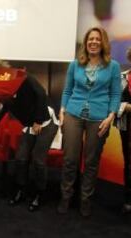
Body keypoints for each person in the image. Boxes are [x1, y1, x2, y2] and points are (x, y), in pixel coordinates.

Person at [57, 27, 121, 217]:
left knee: (91, 161)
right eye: (90, 39)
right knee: (70, 160)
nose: (93, 42)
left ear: (103, 43)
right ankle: (66, 197)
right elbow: (67, 90)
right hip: (73, 114)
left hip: (99, 118)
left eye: (97, 39)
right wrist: (62, 110)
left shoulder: (113, 66)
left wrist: (111, 116)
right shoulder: (75, 64)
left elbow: (115, 94)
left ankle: (85, 199)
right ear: (86, 43)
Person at [0, 60, 59, 212]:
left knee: (38, 160)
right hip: (29, 125)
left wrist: (38, 121)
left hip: (45, 121)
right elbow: (3, 110)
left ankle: (39, 194)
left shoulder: (24, 78)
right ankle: (21, 190)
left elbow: (41, 94)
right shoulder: (3, 91)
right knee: (21, 158)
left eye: (3, 73)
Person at [114, 46, 131, 214]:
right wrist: (125, 107)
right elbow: (115, 102)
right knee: (129, 162)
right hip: (127, 126)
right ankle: (128, 199)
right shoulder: (122, 77)